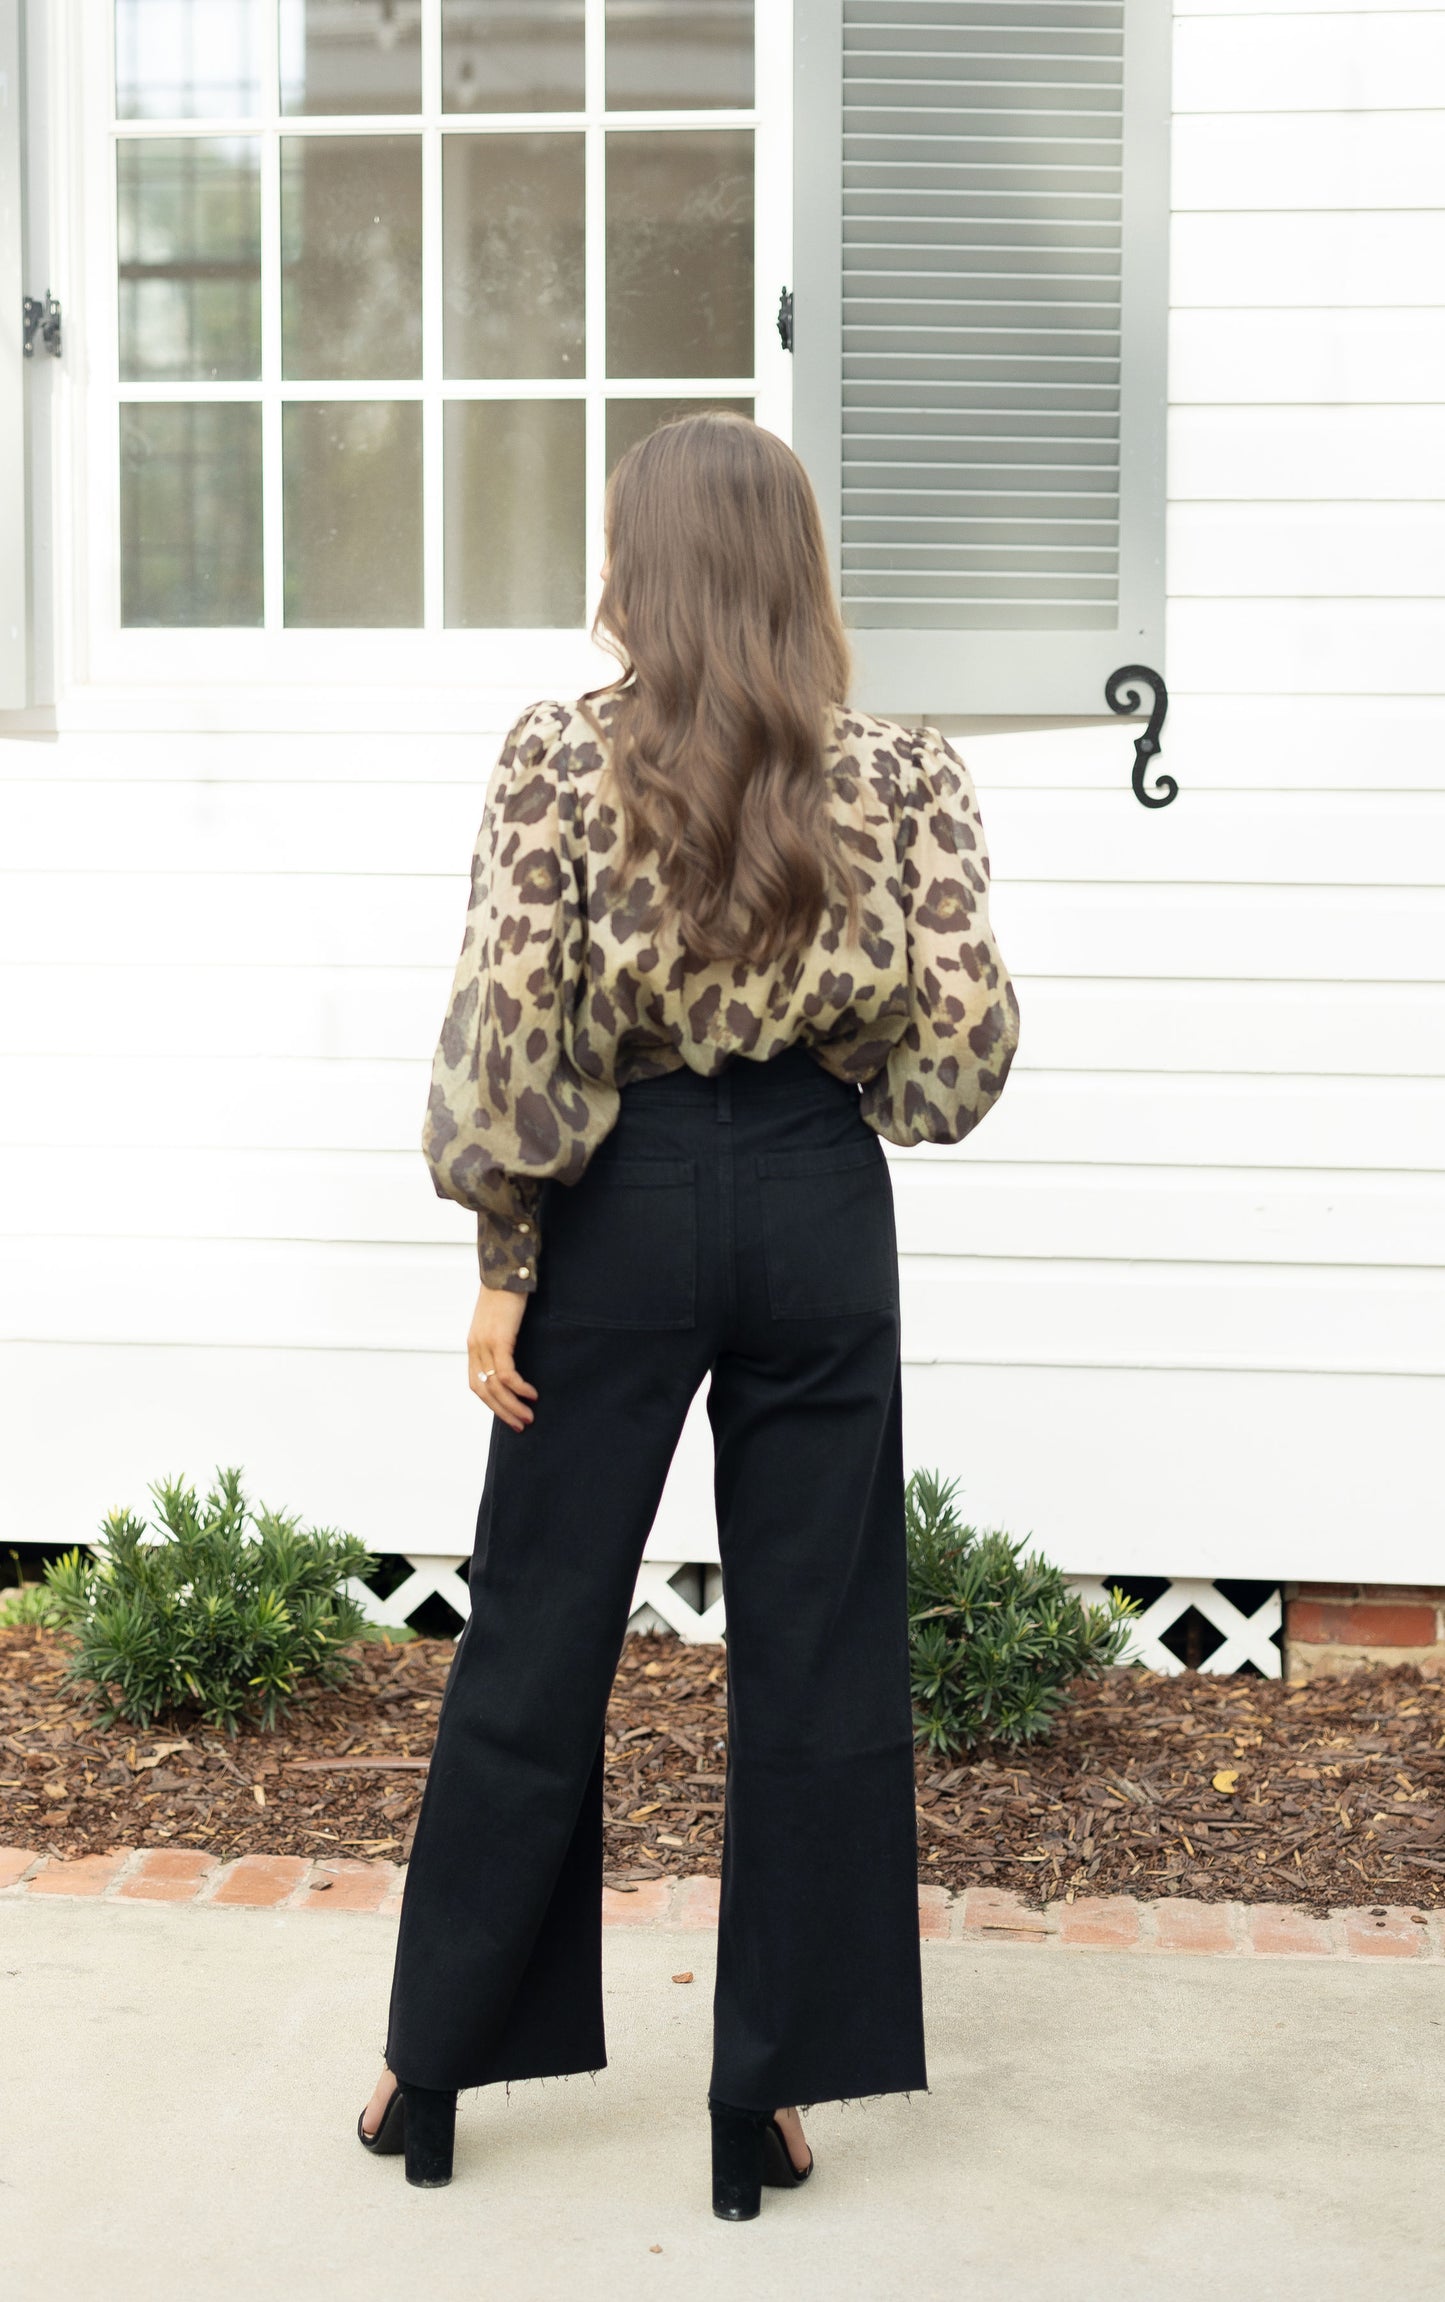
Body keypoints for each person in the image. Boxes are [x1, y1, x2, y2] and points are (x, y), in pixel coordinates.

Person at [355, 410, 1019, 2216]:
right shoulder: (902, 774)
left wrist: (505, 1262)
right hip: (815, 1207)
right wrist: (830, 1062)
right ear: (791, 563)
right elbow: (954, 1066)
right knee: (815, 1644)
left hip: (619, 1212)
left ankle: (430, 2073)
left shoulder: (556, 762)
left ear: (642, 565)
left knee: (540, 1624)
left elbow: (512, 1024)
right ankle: (766, 2101)